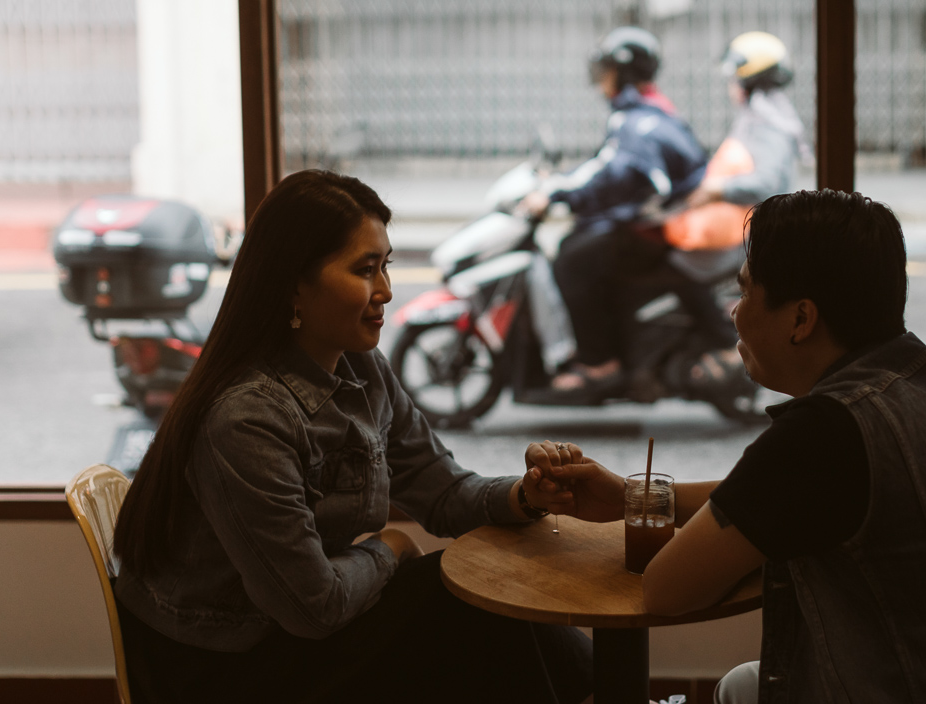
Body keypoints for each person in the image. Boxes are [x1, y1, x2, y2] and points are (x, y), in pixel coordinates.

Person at [534, 190, 926, 702]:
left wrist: (654, 512)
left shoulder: (824, 431)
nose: (734, 311)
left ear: (800, 318)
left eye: (746, 290)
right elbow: (774, 499)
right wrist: (632, 496)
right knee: (744, 686)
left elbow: (667, 589)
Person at [111, 170, 592, 704]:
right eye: (365, 270)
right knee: (467, 607)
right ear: (294, 283)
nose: (386, 290)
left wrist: (525, 494)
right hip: (222, 665)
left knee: (489, 606)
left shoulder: (363, 368)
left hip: (293, 631)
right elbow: (312, 607)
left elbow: (444, 491)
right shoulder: (246, 417)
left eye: (385, 265)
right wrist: (389, 548)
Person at [522, 26, 707, 398]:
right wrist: (563, 184)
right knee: (580, 242)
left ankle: (599, 362)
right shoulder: (641, 113)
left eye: (606, 71)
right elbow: (604, 167)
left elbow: (616, 175)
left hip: (661, 228)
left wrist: (557, 191)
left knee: (572, 259)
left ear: (624, 73)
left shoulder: (639, 121)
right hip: (657, 222)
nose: (600, 81)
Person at [664, 31, 808, 384]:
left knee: (679, 267)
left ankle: (725, 345)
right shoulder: (757, 117)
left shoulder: (766, 123)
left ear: (748, 80)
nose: (731, 86)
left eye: (734, 78)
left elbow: (767, 184)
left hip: (749, 232)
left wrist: (718, 189)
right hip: (739, 224)